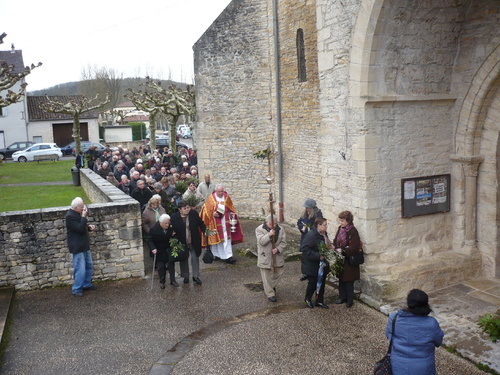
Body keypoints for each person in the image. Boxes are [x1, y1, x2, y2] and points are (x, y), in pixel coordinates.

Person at [386, 289, 444, 375]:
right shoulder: (431, 323)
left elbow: (389, 336)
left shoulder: (394, 318)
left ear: (408, 303)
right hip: (423, 369)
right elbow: (438, 341)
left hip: (398, 366)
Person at [200, 184, 244, 264]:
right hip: (214, 223)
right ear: (215, 191)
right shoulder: (210, 199)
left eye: (222, 191)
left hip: (225, 222)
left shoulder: (227, 197)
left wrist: (232, 214)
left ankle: (228, 256)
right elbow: (205, 211)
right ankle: (216, 255)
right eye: (219, 192)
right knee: (216, 240)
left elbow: (231, 208)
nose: (221, 193)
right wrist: (212, 214)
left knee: (227, 239)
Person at [65, 197, 97, 297]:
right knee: (80, 268)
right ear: (76, 207)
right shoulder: (69, 216)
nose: (83, 209)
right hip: (77, 246)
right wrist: (83, 216)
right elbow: (78, 228)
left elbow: (81, 225)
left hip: (84, 244)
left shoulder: (76, 214)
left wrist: (88, 227)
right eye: (82, 207)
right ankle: (77, 289)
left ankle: (87, 284)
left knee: (89, 266)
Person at [170, 200, 206, 285]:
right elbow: (172, 228)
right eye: (185, 208)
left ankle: (196, 276)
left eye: (188, 208)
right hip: (182, 242)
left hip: (194, 241)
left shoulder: (194, 214)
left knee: (195, 258)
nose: (187, 210)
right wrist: (172, 234)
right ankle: (185, 276)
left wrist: (205, 231)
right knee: (184, 259)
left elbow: (201, 224)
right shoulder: (174, 217)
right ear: (180, 209)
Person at [147, 214, 185, 288]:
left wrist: (174, 239)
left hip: (168, 248)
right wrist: (153, 248)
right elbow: (149, 240)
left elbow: (175, 234)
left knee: (171, 265)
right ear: (160, 223)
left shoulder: (170, 226)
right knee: (161, 266)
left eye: (168, 222)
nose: (167, 224)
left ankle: (173, 280)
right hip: (159, 250)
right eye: (165, 223)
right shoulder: (154, 229)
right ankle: (162, 281)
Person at [300, 217, 331, 309]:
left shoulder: (324, 234)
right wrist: (318, 256)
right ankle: (308, 299)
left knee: (321, 283)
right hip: (312, 265)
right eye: (325, 225)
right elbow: (305, 249)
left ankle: (320, 301)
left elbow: (326, 245)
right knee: (312, 283)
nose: (326, 227)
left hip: (322, 265)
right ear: (319, 226)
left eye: (326, 225)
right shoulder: (311, 235)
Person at [333, 210, 360, 308]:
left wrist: (344, 251)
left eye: (343, 220)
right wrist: (335, 247)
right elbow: (336, 240)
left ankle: (349, 300)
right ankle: (342, 297)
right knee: (341, 279)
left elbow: (355, 247)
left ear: (348, 220)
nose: (341, 223)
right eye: (340, 220)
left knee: (349, 281)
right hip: (341, 259)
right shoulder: (340, 228)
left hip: (349, 260)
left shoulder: (353, 231)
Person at [256, 215, 286, 302]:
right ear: (266, 222)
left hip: (277, 255)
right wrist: (269, 235)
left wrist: (278, 249)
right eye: (270, 224)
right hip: (265, 256)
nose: (273, 226)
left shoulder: (281, 230)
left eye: (275, 224)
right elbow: (261, 241)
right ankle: (270, 293)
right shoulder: (259, 229)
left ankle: (270, 286)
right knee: (266, 275)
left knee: (280, 272)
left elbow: (284, 243)